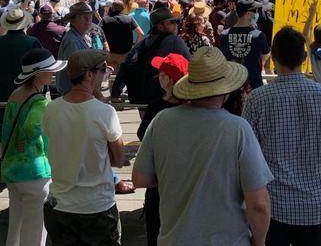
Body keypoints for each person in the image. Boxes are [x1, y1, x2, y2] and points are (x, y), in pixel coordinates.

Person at [132, 46, 273, 245]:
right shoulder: (238, 129)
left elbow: (140, 178)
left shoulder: (161, 120)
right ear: (225, 90)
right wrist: (260, 242)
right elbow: (259, 203)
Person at [243, 27, 321, 245]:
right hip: (317, 207)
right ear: (305, 57)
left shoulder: (257, 99)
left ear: (274, 58)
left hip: (273, 207)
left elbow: (246, 153)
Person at [42, 49, 126, 245]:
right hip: (97, 206)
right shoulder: (105, 112)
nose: (106, 73)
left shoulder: (52, 108)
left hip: (61, 205)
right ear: (89, 75)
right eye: (103, 69)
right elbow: (120, 159)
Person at [2, 48, 66, 246]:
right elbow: (32, 129)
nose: (53, 73)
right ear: (38, 74)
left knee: (16, 225)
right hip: (34, 171)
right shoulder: (39, 101)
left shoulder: (15, 94)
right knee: (35, 231)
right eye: (50, 70)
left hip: (11, 167)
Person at [137, 53, 189, 246]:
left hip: (159, 183)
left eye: (160, 72)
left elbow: (142, 135)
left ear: (167, 79)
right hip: (186, 185)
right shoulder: (194, 107)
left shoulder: (157, 109)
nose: (157, 76)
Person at [0, 8, 41, 181]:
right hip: (27, 93)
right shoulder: (32, 41)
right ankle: (24, 165)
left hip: (1, 92)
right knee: (28, 131)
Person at [111, 7, 190, 107]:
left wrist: (115, 92)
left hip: (140, 96)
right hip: (166, 96)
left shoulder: (143, 43)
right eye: (172, 22)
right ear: (160, 27)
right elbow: (188, 65)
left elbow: (125, 65)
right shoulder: (175, 40)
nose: (176, 25)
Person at [219, 0, 270, 90]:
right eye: (256, 11)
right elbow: (265, 56)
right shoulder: (258, 35)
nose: (257, 14)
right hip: (254, 85)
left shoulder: (224, 35)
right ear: (248, 13)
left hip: (231, 85)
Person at [100, 0, 144, 73]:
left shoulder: (105, 19)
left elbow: (98, 33)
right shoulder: (129, 19)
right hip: (126, 54)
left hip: (111, 55)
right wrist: (134, 47)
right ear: (123, 8)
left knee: (111, 78)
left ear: (112, 8)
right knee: (123, 78)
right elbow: (141, 34)